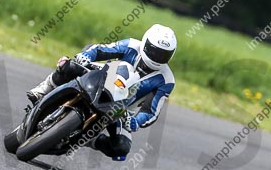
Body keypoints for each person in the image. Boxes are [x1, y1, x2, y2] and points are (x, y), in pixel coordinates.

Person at [26, 24, 176, 160]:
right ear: (145, 43)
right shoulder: (131, 45)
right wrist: (86, 56)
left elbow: (151, 111)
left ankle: (91, 140)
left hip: (122, 109)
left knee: (121, 147)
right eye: (154, 51)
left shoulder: (166, 79)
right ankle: (43, 90)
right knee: (69, 65)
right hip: (102, 78)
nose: (157, 57)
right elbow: (100, 49)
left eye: (163, 55)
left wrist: (135, 121)